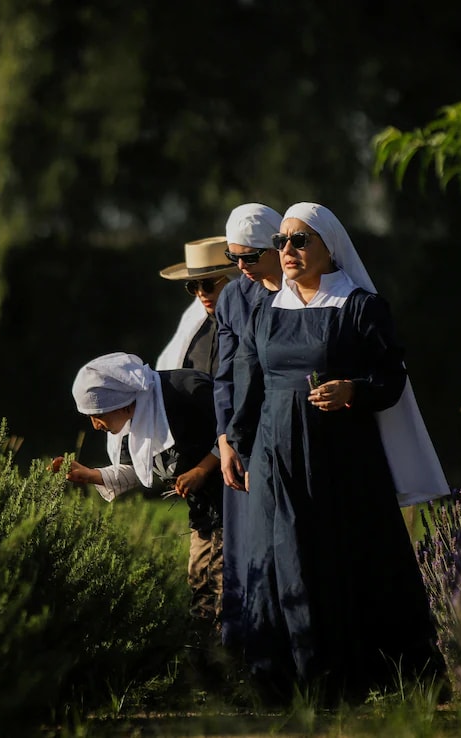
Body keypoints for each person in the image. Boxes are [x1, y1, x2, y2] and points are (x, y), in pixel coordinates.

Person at [227, 202, 450, 701]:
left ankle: (357, 678)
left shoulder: (361, 307)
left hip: (342, 458)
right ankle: (284, 682)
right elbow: (250, 377)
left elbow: (391, 378)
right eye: (281, 241)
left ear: (330, 247)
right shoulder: (264, 310)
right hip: (275, 456)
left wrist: (354, 390)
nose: (287, 251)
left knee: (344, 557)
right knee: (279, 555)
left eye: (299, 241)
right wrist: (234, 443)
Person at [52, 352, 224, 632]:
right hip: (205, 512)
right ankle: (209, 665)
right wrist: (90, 474)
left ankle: (241, 664)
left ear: (122, 404)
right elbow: (139, 468)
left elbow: (239, 428)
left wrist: (203, 469)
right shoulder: (137, 418)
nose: (95, 425)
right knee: (200, 584)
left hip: (238, 501)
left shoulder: (187, 391)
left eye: (97, 416)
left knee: (225, 585)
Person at [211, 203, 284, 650]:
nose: (241, 267)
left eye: (250, 257)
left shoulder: (299, 292)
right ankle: (246, 650)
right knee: (244, 548)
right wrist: (223, 440)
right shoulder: (232, 297)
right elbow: (224, 376)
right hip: (237, 442)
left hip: (281, 433)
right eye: (233, 258)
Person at [156, 236, 238, 374]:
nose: (201, 293)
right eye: (193, 286)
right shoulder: (192, 328)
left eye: (208, 285)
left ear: (233, 280)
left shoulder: (251, 326)